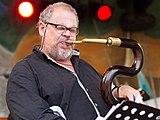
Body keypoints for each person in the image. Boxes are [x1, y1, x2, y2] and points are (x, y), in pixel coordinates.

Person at [6, 2, 143, 120]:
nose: (67, 34)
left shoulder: (85, 66)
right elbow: (35, 116)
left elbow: (104, 95)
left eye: (72, 30)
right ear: (42, 28)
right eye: (60, 27)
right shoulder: (25, 70)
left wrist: (119, 91)